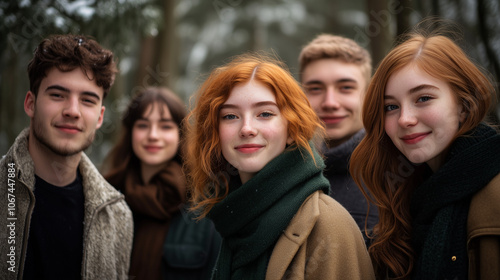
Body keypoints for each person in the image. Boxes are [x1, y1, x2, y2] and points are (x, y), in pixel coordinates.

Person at [184, 53, 375, 279]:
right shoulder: (233, 217)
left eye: (265, 114)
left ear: (292, 130)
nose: (247, 128)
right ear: (214, 131)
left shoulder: (328, 224)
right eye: (231, 116)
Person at [349, 28, 500, 279]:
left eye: (423, 98)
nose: (405, 119)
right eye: (391, 106)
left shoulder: (494, 194)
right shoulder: (403, 194)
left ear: (464, 105)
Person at [0, 34, 133, 279]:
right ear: (31, 103)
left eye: (87, 100)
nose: (72, 111)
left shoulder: (117, 216)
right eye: (57, 95)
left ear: (100, 117)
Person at [102, 87, 221, 280]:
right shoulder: (105, 198)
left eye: (165, 126)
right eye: (143, 125)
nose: (153, 135)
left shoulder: (203, 205)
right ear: (130, 132)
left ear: (180, 135)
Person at [298, 34, 379, 239]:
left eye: (346, 88)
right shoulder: (284, 175)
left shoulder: (396, 175)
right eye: (315, 89)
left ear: (368, 94)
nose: (330, 102)